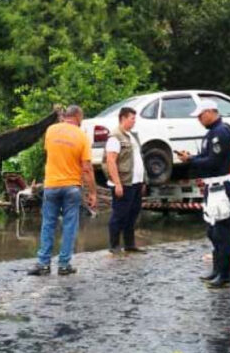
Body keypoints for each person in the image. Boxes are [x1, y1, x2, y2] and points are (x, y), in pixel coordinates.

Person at [176, 100, 230, 290]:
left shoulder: (221, 132)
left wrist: (191, 160)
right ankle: (218, 270)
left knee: (222, 233)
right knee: (213, 232)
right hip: (212, 187)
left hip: (221, 186)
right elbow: (207, 157)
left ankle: (225, 275)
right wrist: (192, 158)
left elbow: (214, 162)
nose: (199, 119)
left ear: (211, 111)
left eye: (201, 115)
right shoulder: (211, 133)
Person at [28, 105, 97, 276]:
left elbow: (50, 153)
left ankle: (43, 264)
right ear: (78, 117)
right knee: (69, 226)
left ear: (65, 116)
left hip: (51, 185)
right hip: (72, 187)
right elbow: (87, 168)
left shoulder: (51, 130)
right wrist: (92, 192)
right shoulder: (82, 136)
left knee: (48, 224)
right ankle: (64, 265)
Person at [104, 107, 146, 254]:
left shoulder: (131, 136)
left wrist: (142, 181)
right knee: (119, 214)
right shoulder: (115, 137)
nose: (134, 121)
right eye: (132, 118)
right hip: (124, 182)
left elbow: (138, 159)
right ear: (123, 118)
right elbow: (111, 161)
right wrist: (117, 183)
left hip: (135, 182)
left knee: (132, 214)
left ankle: (130, 244)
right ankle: (114, 245)